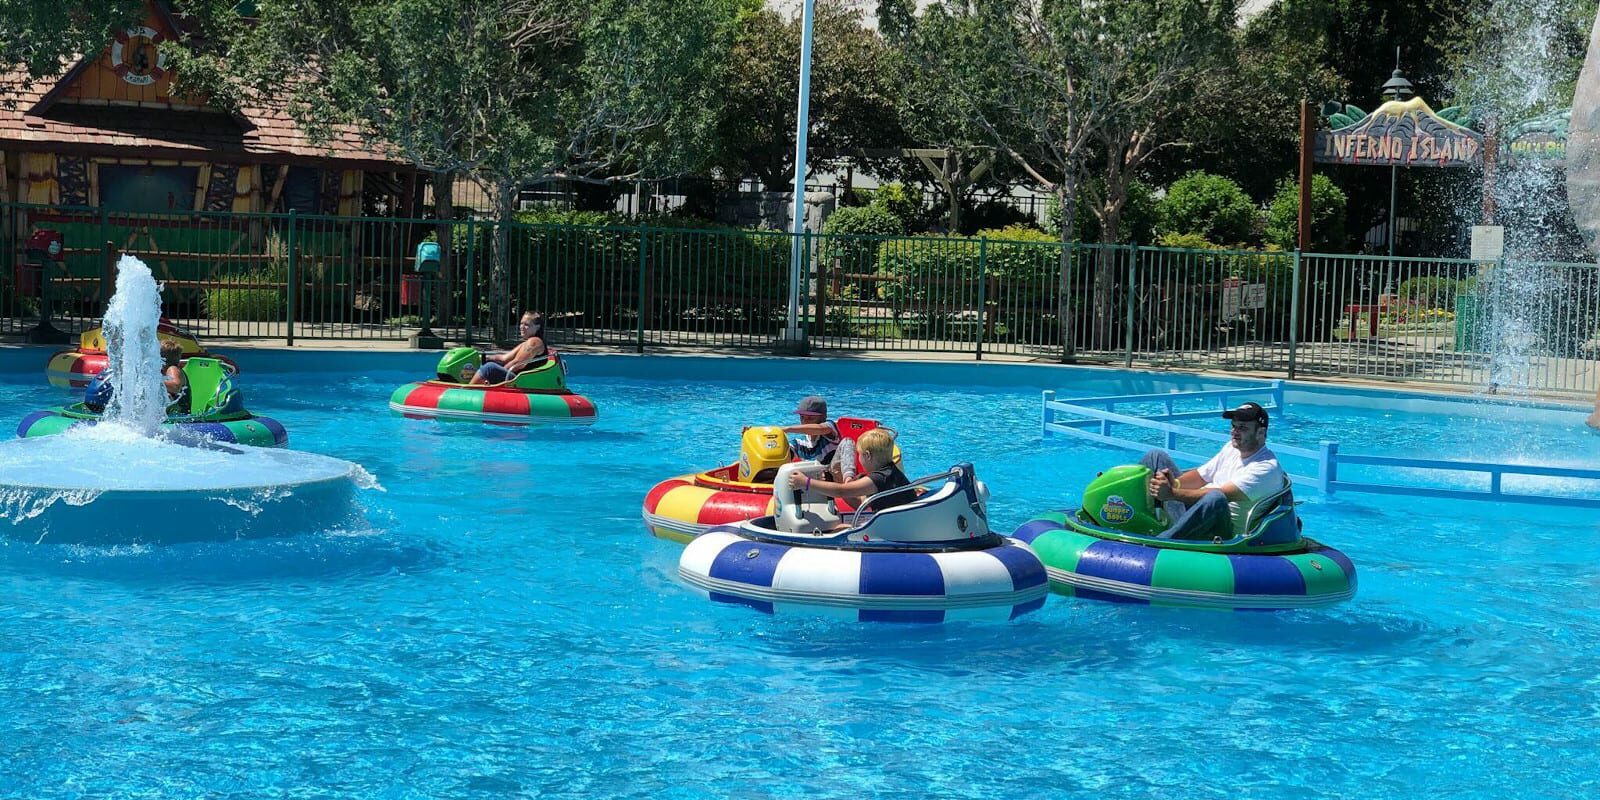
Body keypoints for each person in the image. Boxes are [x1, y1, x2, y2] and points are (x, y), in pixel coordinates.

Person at [1140, 401, 1286, 540]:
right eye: (1233, 426)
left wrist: (1171, 493)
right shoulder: (1231, 448)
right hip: (1195, 516)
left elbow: (1222, 495)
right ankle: (1128, 517)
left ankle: (1161, 543)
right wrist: (1174, 483)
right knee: (1155, 456)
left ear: (1260, 433)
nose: (1234, 432)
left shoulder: (1266, 468)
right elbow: (1200, 476)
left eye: (1242, 428)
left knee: (1216, 498)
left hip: (1221, 533)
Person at [786, 428, 916, 516]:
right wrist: (838, 480)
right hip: (898, 523)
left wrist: (806, 482)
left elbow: (841, 491)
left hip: (894, 530)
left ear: (868, 456)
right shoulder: (891, 472)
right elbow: (860, 504)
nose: (858, 458)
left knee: (838, 529)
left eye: (859, 455)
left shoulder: (879, 478)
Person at [780, 395, 857, 481]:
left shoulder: (830, 428)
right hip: (816, 482)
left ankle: (849, 480)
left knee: (847, 442)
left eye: (810, 418)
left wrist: (788, 429)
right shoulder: (799, 443)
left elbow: (821, 429)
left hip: (836, 475)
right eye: (802, 417)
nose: (805, 421)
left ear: (823, 418)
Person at [471, 311, 547, 385]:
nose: (522, 327)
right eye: (521, 323)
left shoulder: (534, 342)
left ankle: (469, 389)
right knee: (487, 363)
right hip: (516, 377)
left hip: (521, 381)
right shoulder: (527, 342)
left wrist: (499, 373)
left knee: (489, 368)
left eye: (527, 325)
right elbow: (504, 358)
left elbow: (517, 364)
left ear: (538, 327)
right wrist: (483, 358)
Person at [161, 339, 190, 414]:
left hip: (179, 411)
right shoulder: (164, 370)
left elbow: (175, 387)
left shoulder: (172, 369)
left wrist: (153, 382)